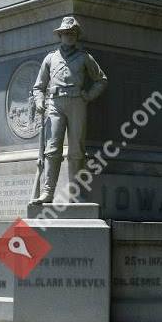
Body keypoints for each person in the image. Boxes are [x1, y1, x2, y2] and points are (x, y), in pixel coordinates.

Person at [30, 16, 108, 204]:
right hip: (54, 104)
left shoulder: (84, 57)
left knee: (76, 149)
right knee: (52, 149)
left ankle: (74, 192)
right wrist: (40, 101)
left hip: (77, 102)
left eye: (72, 33)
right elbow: (38, 87)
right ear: (60, 35)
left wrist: (88, 96)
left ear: (76, 36)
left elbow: (101, 80)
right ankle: (48, 192)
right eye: (65, 33)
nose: (69, 36)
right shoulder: (50, 58)